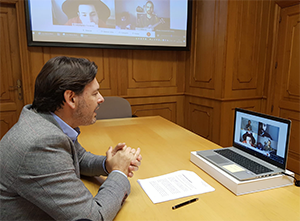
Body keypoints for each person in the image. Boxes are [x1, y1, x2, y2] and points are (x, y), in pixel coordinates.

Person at [0, 56, 142, 221]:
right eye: (95, 93)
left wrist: (107, 164)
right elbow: (93, 217)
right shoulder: (41, 144)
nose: (101, 99)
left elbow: (78, 157)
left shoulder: (46, 119)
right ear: (71, 98)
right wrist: (119, 172)